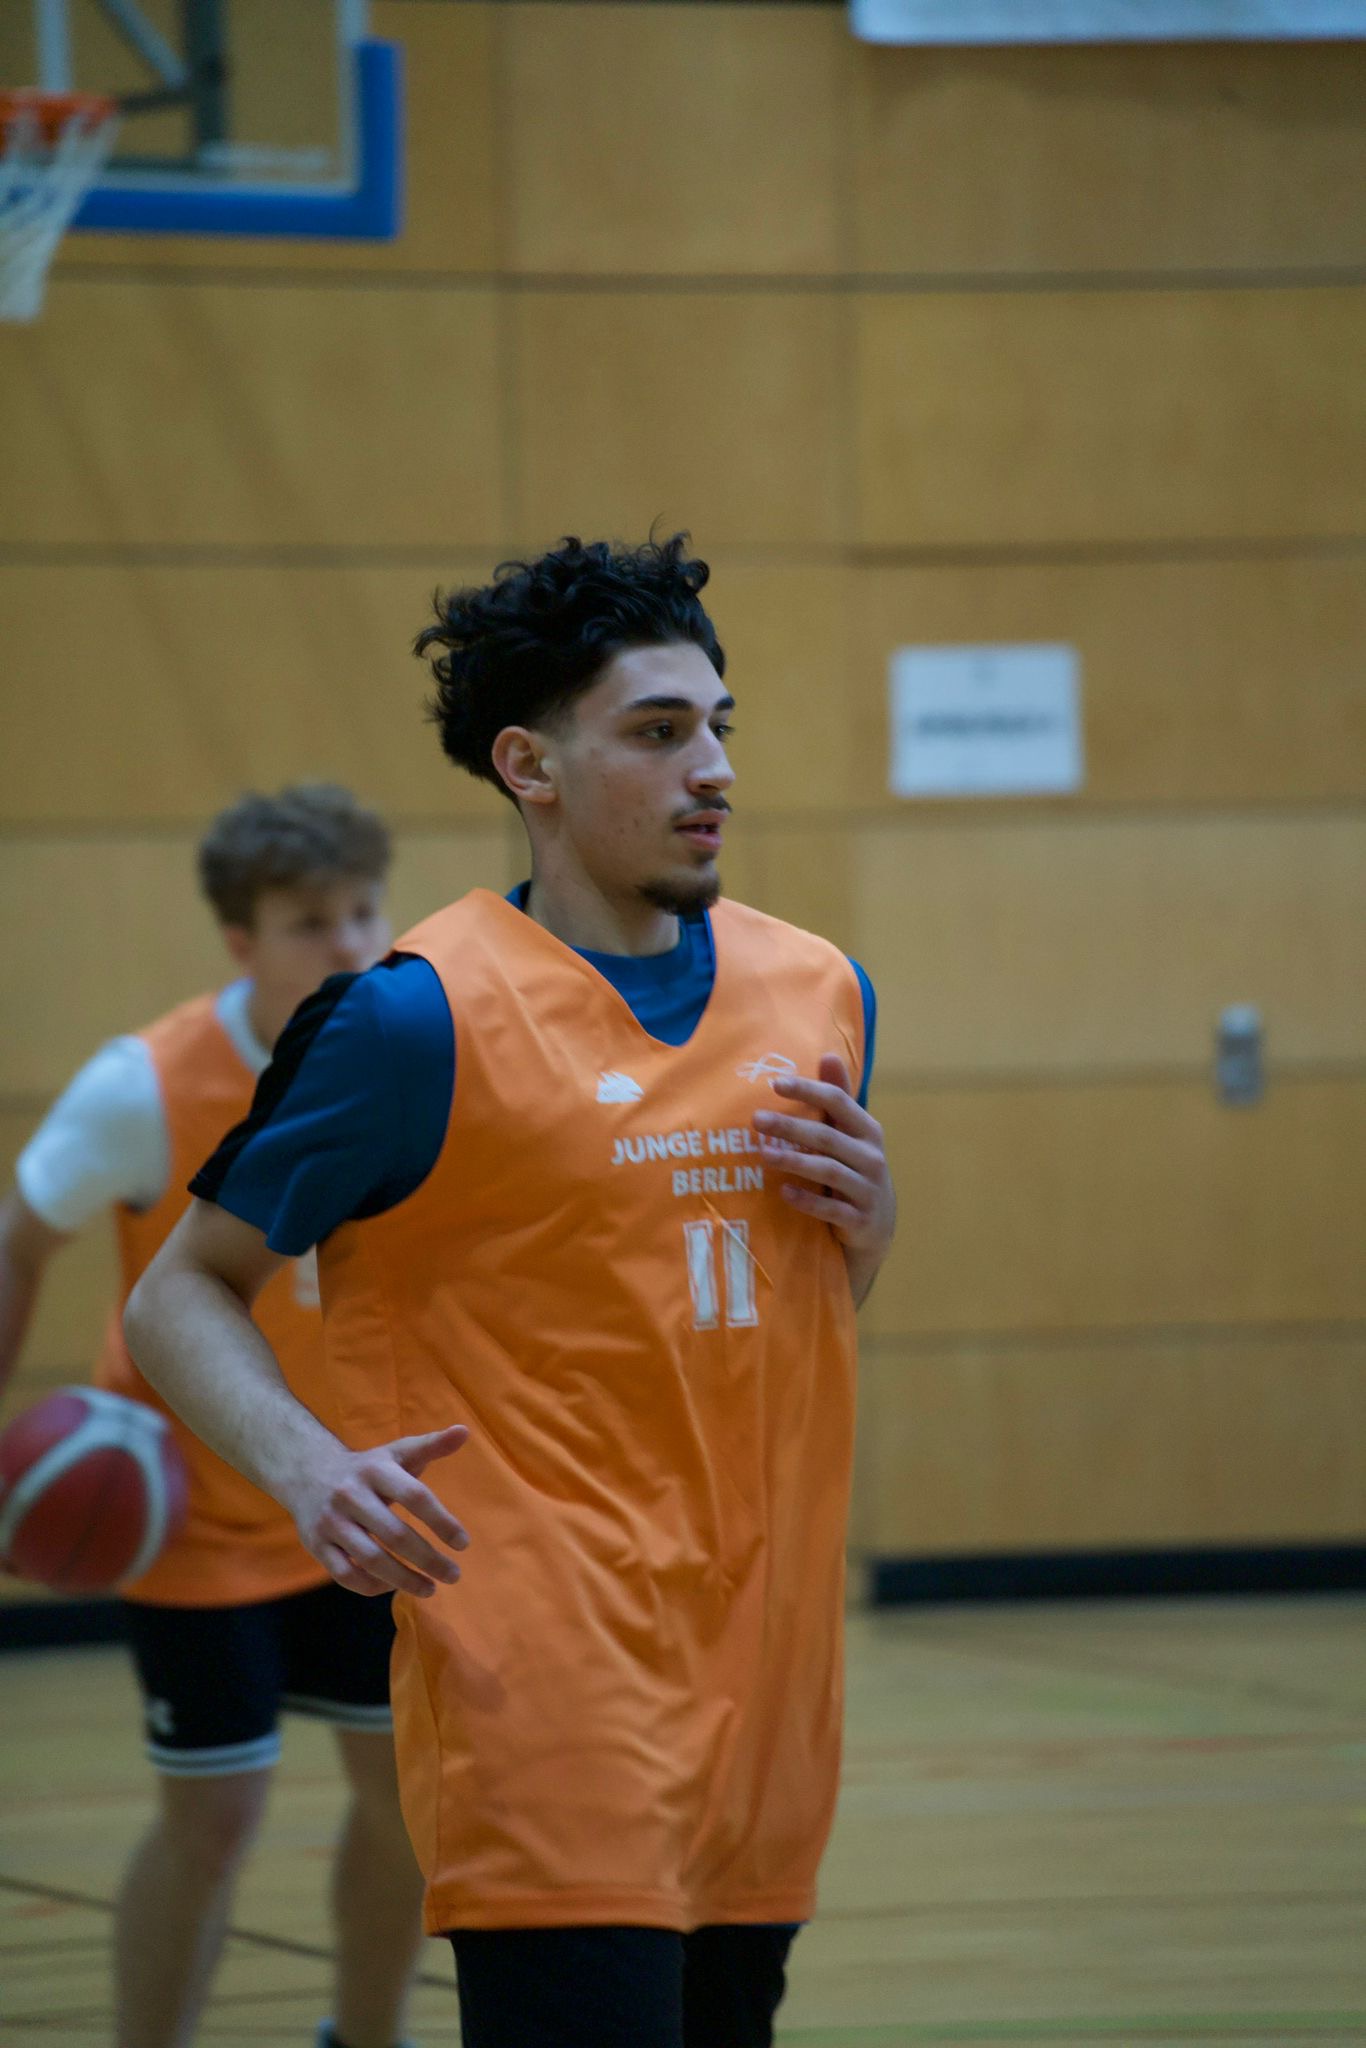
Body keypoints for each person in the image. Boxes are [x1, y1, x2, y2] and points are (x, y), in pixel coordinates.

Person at [124, 536, 898, 2048]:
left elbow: (754, 1321)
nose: (712, 768)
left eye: (719, 725)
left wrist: (867, 1232)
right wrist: (308, 1467)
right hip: (545, 1681)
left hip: (768, 1678)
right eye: (658, 731)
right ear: (528, 765)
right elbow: (179, 1293)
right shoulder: (410, 1022)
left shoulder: (819, 991)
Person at [0, 784, 427, 2048]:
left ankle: (367, 2036)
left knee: (411, 1803)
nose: (351, 944)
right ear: (241, 940)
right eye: (310, 922)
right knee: (214, 1820)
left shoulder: (418, 1055)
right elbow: (20, 1238)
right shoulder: (144, 1083)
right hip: (191, 1511)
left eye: (365, 911)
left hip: (359, 1498)